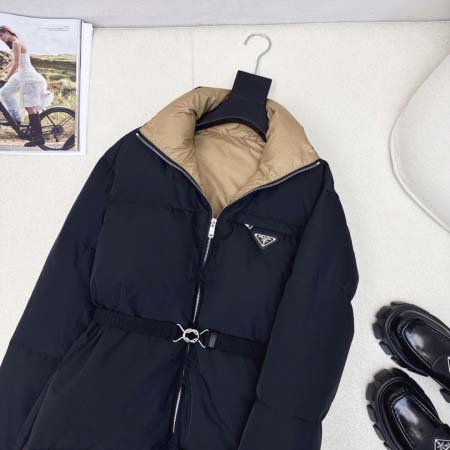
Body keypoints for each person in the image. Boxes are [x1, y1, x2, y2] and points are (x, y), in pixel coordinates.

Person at [0, 25, 54, 147]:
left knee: (30, 107)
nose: (1, 39)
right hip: (20, 75)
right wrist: (1, 72)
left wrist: (5, 78)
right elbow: (12, 62)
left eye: (1, 35)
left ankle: (38, 137)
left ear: (7, 32)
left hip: (29, 78)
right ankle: (16, 118)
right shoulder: (15, 43)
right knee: (4, 92)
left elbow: (16, 64)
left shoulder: (16, 43)